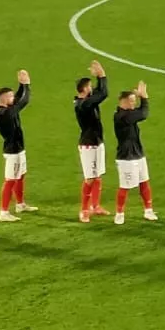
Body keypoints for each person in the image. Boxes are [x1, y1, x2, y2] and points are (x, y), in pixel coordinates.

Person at [112, 81, 157, 224]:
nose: (133, 104)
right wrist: (144, 98)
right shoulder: (121, 116)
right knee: (125, 186)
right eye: (131, 101)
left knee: (144, 182)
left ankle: (148, 210)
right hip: (126, 157)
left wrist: (143, 99)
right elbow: (143, 114)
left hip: (138, 153)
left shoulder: (128, 114)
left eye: (134, 101)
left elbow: (140, 113)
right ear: (123, 102)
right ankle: (119, 213)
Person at [0, 70, 34, 222]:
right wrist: (26, 85)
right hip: (12, 152)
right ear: (4, 99)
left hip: (18, 148)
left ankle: (20, 204)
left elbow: (17, 99)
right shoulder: (5, 113)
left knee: (20, 176)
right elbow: (23, 101)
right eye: (10, 96)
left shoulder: (6, 107)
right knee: (10, 179)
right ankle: (3, 212)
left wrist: (21, 85)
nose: (14, 98)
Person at [74, 62, 111, 223]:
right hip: (88, 144)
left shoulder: (86, 100)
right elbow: (103, 93)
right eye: (89, 86)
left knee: (98, 176)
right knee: (90, 178)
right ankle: (83, 210)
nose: (92, 89)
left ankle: (95, 206)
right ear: (84, 89)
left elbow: (99, 91)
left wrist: (98, 78)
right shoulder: (84, 104)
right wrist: (102, 75)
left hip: (97, 142)